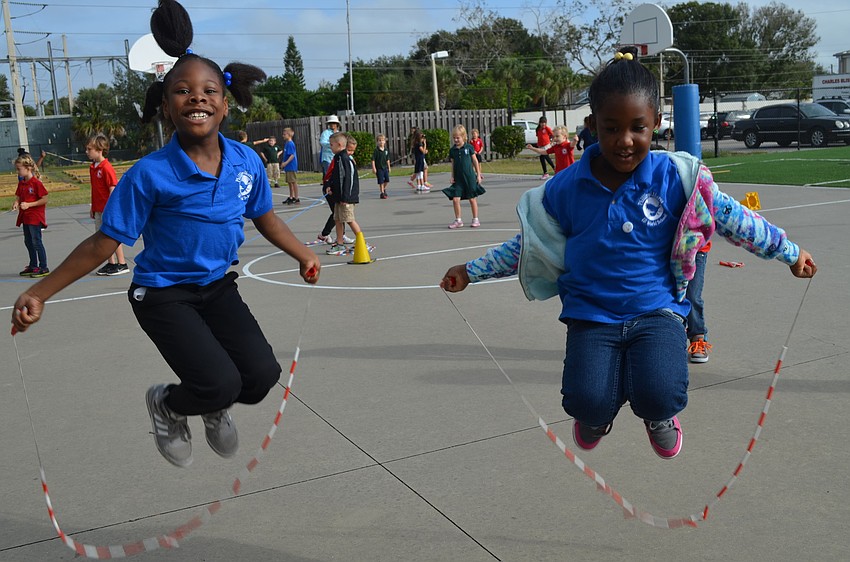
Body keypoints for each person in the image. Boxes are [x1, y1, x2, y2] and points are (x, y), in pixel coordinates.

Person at [440, 46, 816, 461]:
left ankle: (658, 415)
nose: (624, 141)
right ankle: (598, 413)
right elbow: (529, 245)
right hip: (591, 315)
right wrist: (471, 271)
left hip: (657, 310)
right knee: (586, 402)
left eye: (638, 127)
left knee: (660, 393)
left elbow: (733, 218)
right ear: (592, 126)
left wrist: (789, 252)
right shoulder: (565, 189)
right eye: (611, 128)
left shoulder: (676, 178)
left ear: (656, 122)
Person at [10, 0, 321, 469]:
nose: (197, 98)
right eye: (182, 91)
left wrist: (303, 254)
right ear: (165, 106)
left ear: (225, 103)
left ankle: (211, 401)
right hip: (163, 295)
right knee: (219, 382)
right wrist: (39, 292)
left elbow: (266, 217)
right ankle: (170, 405)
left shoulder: (246, 161)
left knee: (260, 377)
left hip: (217, 288)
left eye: (209, 90)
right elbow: (102, 243)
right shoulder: (150, 174)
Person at [86, 133, 129, 276]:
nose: (87, 152)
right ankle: (111, 263)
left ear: (99, 150)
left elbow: (112, 189)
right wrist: (93, 207)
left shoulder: (106, 167)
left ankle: (122, 263)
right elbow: (94, 189)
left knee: (112, 236)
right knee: (101, 237)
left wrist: (111, 208)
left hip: (107, 208)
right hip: (98, 208)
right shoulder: (93, 167)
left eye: (89, 149)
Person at [326, 132, 364, 255]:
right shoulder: (337, 158)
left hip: (346, 198)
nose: (330, 147)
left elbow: (348, 179)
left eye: (331, 145)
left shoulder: (345, 159)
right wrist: (330, 186)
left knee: (349, 219)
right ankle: (340, 244)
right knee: (338, 219)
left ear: (339, 144)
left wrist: (345, 197)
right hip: (338, 197)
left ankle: (362, 242)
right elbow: (336, 176)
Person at [12, 153, 50, 278]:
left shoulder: (36, 183)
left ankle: (43, 267)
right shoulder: (22, 183)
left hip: (35, 217)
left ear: (28, 168)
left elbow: (44, 199)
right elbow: (19, 196)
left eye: (19, 169)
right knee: (28, 241)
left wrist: (29, 204)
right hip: (25, 217)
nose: (17, 172)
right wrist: (16, 203)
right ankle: (33, 265)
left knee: (36, 242)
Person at [442, 125, 485, 229]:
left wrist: (478, 174)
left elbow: (475, 161)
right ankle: (458, 220)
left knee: (472, 199)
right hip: (458, 179)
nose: (456, 140)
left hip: (469, 177)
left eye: (458, 138)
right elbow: (453, 164)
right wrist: (452, 176)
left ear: (463, 137)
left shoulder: (469, 148)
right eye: (454, 138)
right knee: (455, 199)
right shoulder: (453, 150)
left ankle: (475, 219)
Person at [686, 242, 712, 362]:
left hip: (696, 249)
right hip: (665, 247)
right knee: (668, 296)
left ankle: (698, 337)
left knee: (692, 296)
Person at [281, 127, 299, 205]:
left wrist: (286, 163)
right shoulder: (287, 143)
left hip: (291, 165)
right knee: (289, 182)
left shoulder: (291, 144)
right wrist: (283, 162)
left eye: (284, 134)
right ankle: (291, 196)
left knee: (293, 181)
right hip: (288, 166)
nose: (283, 136)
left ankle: (296, 197)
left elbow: (292, 155)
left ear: (289, 135)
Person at [372, 133, 391, 199]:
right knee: (381, 181)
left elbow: (387, 159)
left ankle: (383, 189)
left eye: (382, 140)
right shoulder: (376, 151)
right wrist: (374, 168)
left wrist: (389, 167)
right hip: (379, 168)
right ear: (377, 142)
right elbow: (373, 160)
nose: (381, 142)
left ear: (385, 141)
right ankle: (382, 193)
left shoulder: (386, 150)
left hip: (385, 168)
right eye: (379, 140)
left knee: (387, 180)